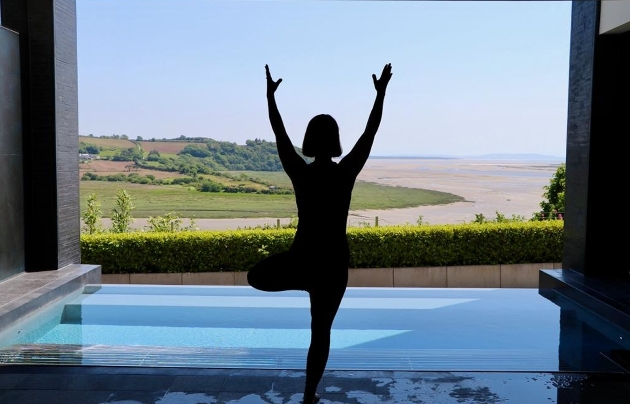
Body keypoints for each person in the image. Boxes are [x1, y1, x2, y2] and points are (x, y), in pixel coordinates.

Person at [247, 63, 392, 404]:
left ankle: (302, 277)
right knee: (321, 331)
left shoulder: (301, 172)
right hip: (333, 264)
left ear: (310, 141)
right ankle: (309, 394)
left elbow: (280, 135)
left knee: (256, 276)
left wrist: (270, 97)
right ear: (336, 140)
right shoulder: (345, 173)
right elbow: (370, 134)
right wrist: (380, 93)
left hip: (304, 259)